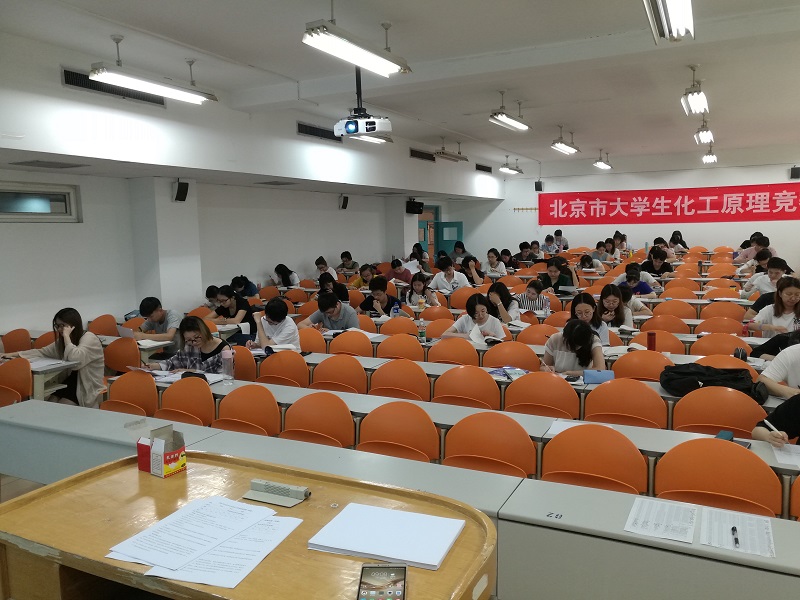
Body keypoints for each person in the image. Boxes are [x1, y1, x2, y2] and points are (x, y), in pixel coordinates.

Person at [4, 308, 103, 408]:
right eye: (57, 326)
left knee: (61, 407)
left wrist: (66, 337)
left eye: (62, 326)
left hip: (86, 383)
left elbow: (76, 360)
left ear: (73, 325)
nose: (59, 329)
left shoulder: (89, 338)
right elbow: (42, 352)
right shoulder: (63, 341)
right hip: (70, 380)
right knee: (51, 403)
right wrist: (12, 354)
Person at [148, 316, 230, 373]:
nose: (194, 342)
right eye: (189, 340)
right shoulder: (189, 346)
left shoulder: (224, 349)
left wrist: (193, 372)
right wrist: (154, 366)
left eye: (197, 337)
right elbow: (173, 362)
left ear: (204, 331)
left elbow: (225, 377)